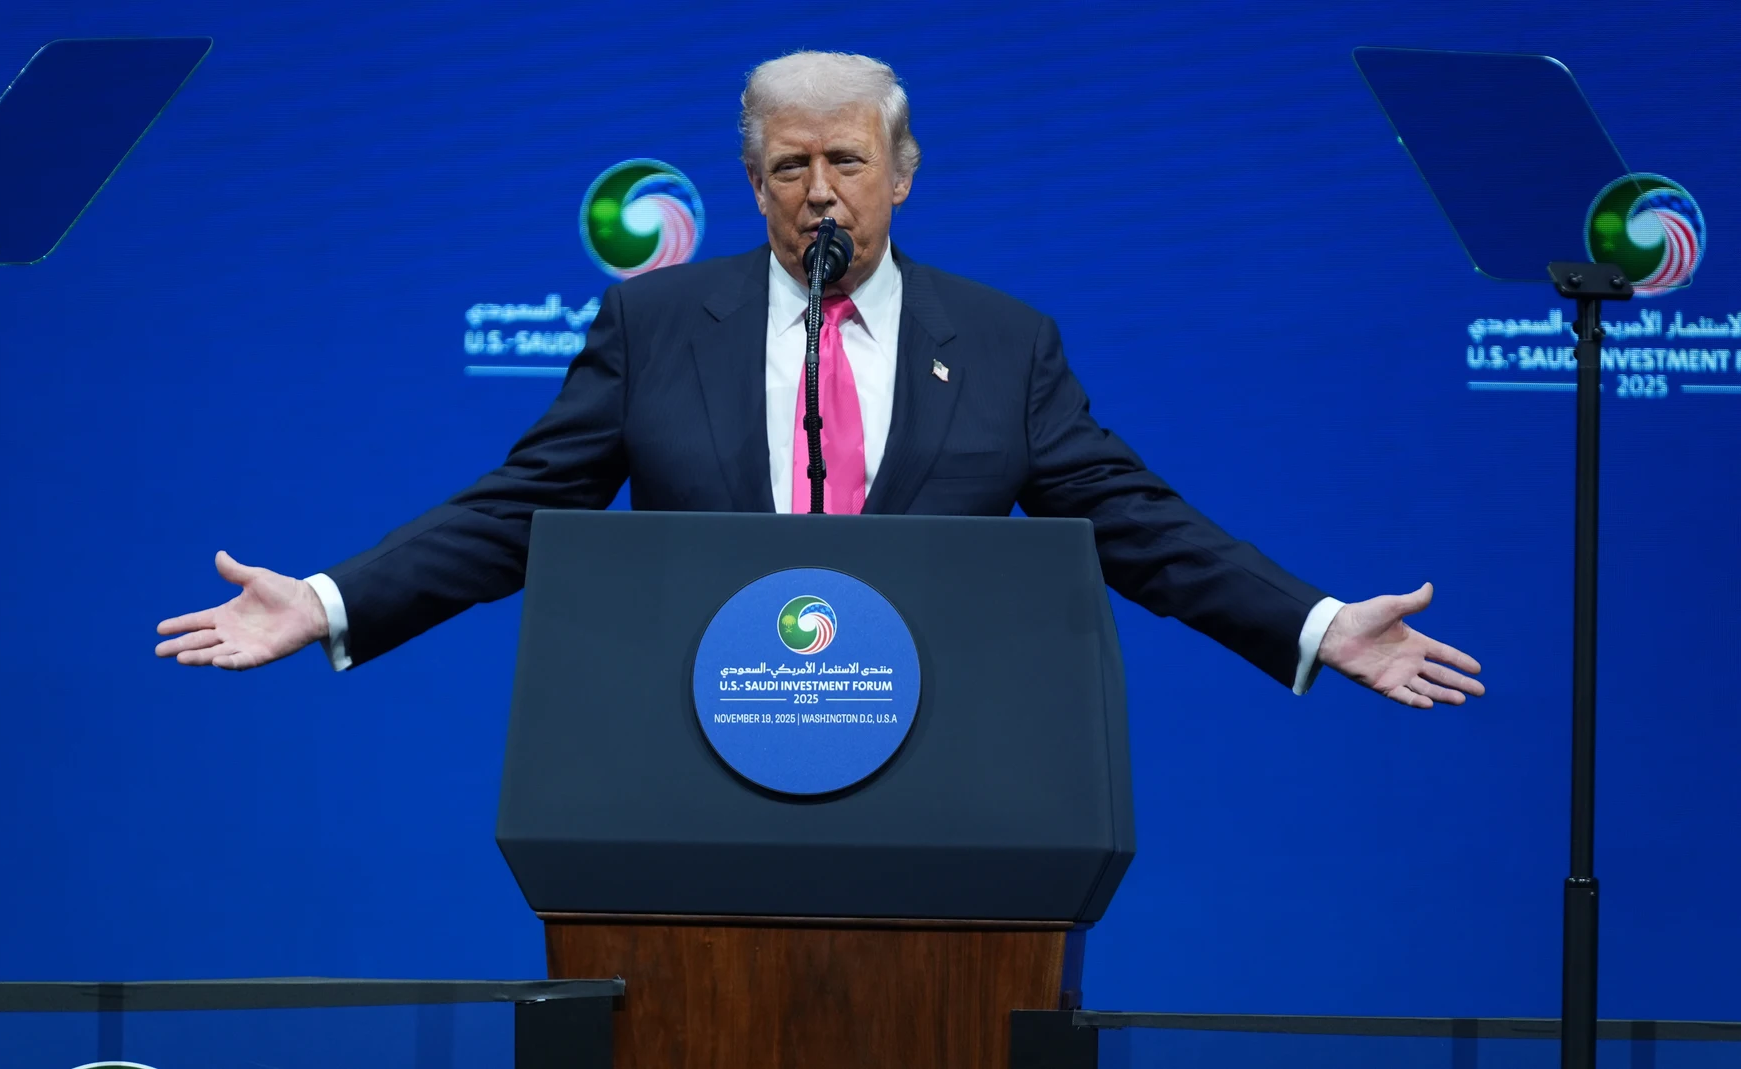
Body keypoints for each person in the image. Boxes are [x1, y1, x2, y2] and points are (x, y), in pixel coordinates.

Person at [157, 51, 1482, 709]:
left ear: (901, 175)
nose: (820, 191)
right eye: (790, 167)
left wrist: (1312, 625)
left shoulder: (1006, 340)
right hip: (697, 739)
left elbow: (1136, 523)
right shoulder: (658, 321)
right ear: (753, 183)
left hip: (935, 748)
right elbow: (519, 510)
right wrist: (328, 602)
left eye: (847, 162)